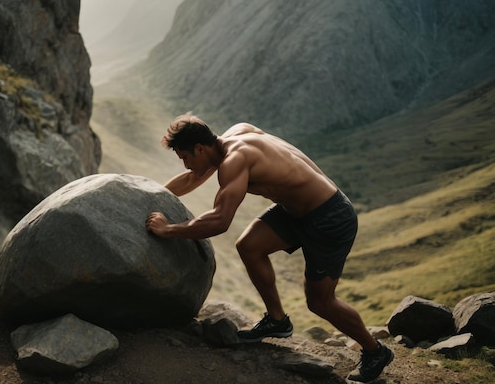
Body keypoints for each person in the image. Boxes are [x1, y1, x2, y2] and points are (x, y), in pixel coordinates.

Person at [145, 114, 394, 383]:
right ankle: (277, 321)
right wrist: (150, 193)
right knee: (249, 246)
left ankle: (375, 351)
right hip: (295, 211)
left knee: (320, 302)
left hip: (329, 217)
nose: (186, 164)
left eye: (185, 157)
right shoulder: (237, 133)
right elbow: (193, 177)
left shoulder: (234, 160)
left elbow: (220, 220)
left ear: (200, 148)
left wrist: (168, 230)